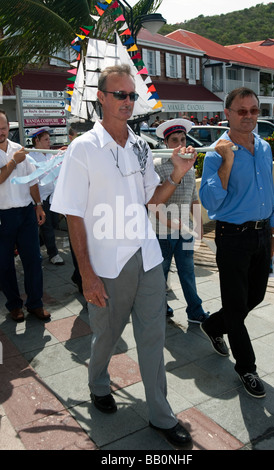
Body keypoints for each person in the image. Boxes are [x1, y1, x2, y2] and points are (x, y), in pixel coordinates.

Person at [51, 64, 195, 446]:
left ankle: (161, 416)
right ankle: (98, 382)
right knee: (107, 335)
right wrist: (87, 274)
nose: (128, 102)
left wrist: (177, 173)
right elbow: (73, 213)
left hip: (147, 256)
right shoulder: (83, 148)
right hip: (106, 262)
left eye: (132, 95)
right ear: (101, 98)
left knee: (153, 336)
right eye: (120, 95)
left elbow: (153, 199)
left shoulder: (140, 145)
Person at [199, 87, 274, 398]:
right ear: (228, 115)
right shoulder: (216, 153)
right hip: (232, 236)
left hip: (262, 234)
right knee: (236, 306)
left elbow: (268, 197)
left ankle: (212, 325)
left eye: (254, 110)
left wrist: (273, 236)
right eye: (242, 111)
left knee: (255, 296)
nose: (249, 116)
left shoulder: (263, 148)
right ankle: (246, 367)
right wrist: (227, 163)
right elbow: (210, 200)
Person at [154, 119, 209, 323]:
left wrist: (199, 224)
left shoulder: (190, 166)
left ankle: (195, 311)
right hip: (162, 233)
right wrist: (172, 224)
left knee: (188, 272)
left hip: (185, 232)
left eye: (183, 139)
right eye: (174, 140)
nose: (180, 144)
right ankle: (160, 308)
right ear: (166, 143)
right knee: (160, 274)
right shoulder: (157, 167)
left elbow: (194, 198)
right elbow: (153, 204)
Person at [0, 110, 51, 322]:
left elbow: (32, 180)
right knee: (4, 264)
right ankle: (14, 305)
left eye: (3, 128)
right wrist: (13, 162)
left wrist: (38, 205)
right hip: (3, 215)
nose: (0, 132)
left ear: (8, 128)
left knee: (33, 260)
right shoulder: (17, 155)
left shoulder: (19, 149)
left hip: (25, 212)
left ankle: (35, 304)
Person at [29, 128, 64, 266]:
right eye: (46, 139)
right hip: (41, 199)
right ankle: (53, 254)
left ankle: (34, 245)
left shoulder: (50, 155)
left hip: (52, 197)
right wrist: (37, 203)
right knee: (48, 227)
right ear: (37, 141)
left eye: (49, 139)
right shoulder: (31, 156)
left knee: (53, 224)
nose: (49, 142)